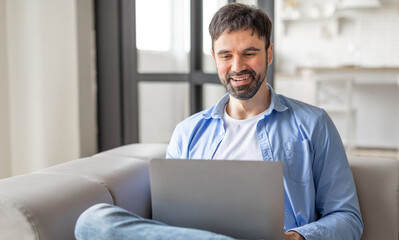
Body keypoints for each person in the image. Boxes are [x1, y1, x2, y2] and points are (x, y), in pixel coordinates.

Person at [75, 3, 363, 240]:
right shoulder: (187, 132)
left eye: (250, 53)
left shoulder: (312, 123)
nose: (237, 66)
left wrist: (297, 238)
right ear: (214, 59)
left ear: (269, 53)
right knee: (92, 219)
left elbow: (348, 218)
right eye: (226, 55)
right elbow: (167, 222)